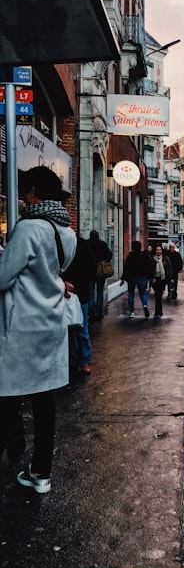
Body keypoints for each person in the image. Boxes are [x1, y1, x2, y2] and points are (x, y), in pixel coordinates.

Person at [0, 166, 76, 494]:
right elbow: (54, 274)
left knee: (7, 390)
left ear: (33, 191)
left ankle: (14, 442)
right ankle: (41, 472)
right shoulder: (67, 233)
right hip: (52, 324)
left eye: (25, 192)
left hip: (22, 327)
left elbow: (3, 278)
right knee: (44, 401)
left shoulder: (28, 228)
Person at [62, 235, 96, 376]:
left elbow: (91, 269)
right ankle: (78, 362)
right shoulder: (62, 244)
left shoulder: (80, 245)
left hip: (79, 294)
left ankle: (81, 361)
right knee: (73, 329)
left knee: (79, 328)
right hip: (66, 293)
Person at [120, 241, 151, 318]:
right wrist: (148, 276)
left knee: (131, 294)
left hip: (131, 277)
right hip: (142, 276)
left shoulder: (130, 256)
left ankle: (132, 312)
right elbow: (148, 266)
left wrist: (123, 278)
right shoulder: (144, 255)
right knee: (143, 293)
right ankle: (144, 305)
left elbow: (126, 268)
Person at [87, 230, 112, 319]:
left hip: (89, 272)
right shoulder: (102, 244)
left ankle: (91, 313)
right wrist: (103, 260)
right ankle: (99, 313)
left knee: (90, 294)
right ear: (97, 236)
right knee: (100, 292)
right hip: (100, 271)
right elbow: (109, 255)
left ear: (90, 236)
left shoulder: (87, 243)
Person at [149, 244, 172, 317]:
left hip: (163, 279)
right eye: (157, 250)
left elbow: (169, 269)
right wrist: (152, 278)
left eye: (160, 249)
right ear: (155, 250)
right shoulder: (152, 259)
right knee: (158, 295)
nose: (158, 251)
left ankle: (158, 310)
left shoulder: (166, 258)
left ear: (162, 250)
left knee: (159, 295)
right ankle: (158, 311)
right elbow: (149, 269)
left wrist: (169, 278)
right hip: (155, 279)